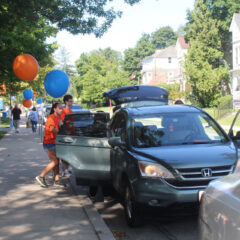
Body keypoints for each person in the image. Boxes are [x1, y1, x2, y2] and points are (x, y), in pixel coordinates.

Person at [35, 102, 65, 188]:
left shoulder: (58, 117)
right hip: (48, 143)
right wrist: (60, 131)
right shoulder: (51, 117)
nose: (61, 110)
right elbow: (52, 129)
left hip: (55, 142)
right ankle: (41, 177)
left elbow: (62, 122)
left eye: (61, 108)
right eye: (59, 108)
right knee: (54, 161)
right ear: (54, 109)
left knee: (57, 162)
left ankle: (57, 180)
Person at [60, 95, 74, 177]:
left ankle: (67, 169)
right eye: (70, 101)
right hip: (64, 134)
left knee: (69, 152)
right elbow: (61, 122)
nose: (71, 102)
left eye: (72, 101)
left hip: (71, 134)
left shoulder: (71, 111)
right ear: (66, 102)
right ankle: (65, 170)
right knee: (64, 153)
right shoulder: (63, 111)